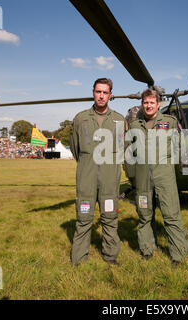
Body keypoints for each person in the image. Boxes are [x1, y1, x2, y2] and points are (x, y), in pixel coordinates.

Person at [128, 88, 188, 265]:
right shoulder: (134, 125)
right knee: (145, 215)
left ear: (158, 104)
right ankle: (147, 249)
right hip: (143, 178)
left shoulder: (169, 122)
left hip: (164, 176)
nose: (148, 106)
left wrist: (169, 166)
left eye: (151, 102)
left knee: (171, 215)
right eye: (145, 103)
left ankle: (178, 254)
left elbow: (181, 148)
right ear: (142, 104)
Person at [69, 78, 125, 266]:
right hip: (87, 176)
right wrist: (88, 163)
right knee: (84, 218)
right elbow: (75, 148)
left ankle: (110, 256)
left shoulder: (119, 119)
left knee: (110, 217)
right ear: (93, 92)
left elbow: (123, 147)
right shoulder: (81, 118)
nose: (101, 96)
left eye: (105, 92)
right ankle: (79, 258)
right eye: (98, 91)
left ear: (110, 95)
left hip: (110, 177)